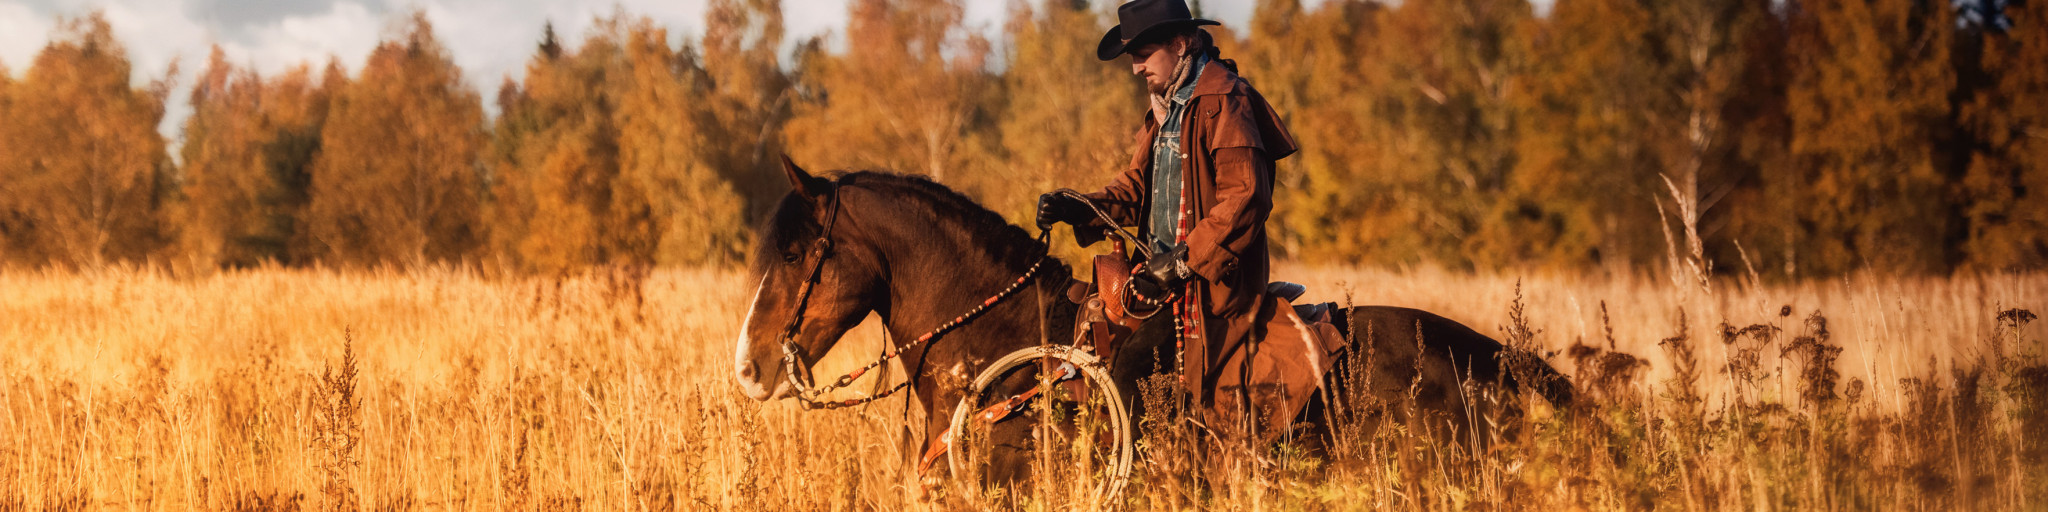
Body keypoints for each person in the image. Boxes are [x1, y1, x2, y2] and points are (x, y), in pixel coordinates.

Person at [1035, 0, 1297, 420]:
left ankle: (1153, 481)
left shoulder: (1226, 99)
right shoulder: (1166, 107)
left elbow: (1246, 198)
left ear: (1179, 44)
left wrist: (1180, 263)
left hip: (1209, 287)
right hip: (1158, 278)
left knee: (1128, 379)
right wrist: (1080, 206)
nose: (1136, 69)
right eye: (1133, 59)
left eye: (1142, 56)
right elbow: (1138, 185)